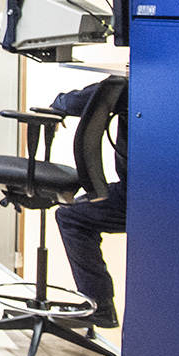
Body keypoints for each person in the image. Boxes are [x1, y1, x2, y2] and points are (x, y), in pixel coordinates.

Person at [52, 77, 129, 329]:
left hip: (139, 197)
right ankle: (99, 305)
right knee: (80, 209)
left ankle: (100, 306)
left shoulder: (136, 87)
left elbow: (82, 100)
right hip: (170, 193)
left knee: (71, 216)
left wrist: (58, 102)